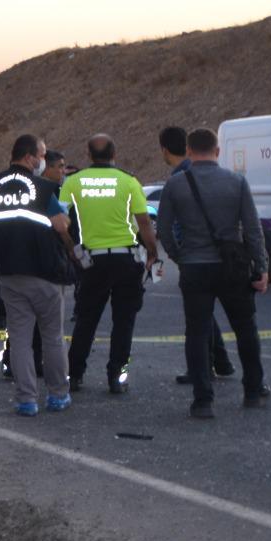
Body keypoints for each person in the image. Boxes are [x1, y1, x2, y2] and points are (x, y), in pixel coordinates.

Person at [157, 128, 270, 419]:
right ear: (218, 151)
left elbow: (164, 230)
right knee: (245, 329)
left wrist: (178, 255)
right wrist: (262, 266)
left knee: (197, 332)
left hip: (194, 266)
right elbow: (253, 229)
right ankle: (254, 391)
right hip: (232, 267)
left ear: (190, 151)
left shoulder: (176, 185)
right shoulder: (236, 182)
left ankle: (203, 400)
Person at [0, 134, 76, 416]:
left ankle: (26, 400)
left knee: (19, 337)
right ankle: (58, 395)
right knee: (52, 336)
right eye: (42, 155)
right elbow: (60, 225)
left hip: (7, 273)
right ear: (31, 157)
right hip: (44, 272)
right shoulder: (43, 188)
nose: (43, 161)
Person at [63, 135, 158, 394]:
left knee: (86, 320)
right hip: (126, 259)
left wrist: (72, 249)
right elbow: (144, 222)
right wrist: (153, 251)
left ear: (89, 154)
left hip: (92, 261)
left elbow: (60, 219)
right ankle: (118, 376)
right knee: (124, 322)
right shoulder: (129, 181)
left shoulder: (73, 181)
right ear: (114, 153)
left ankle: (74, 375)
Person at [160, 125, 235, 386]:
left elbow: (166, 226)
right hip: (221, 253)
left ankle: (205, 370)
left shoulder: (179, 177)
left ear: (165, 150)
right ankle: (222, 362)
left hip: (194, 254)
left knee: (198, 318)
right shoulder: (226, 177)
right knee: (211, 315)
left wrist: (177, 254)